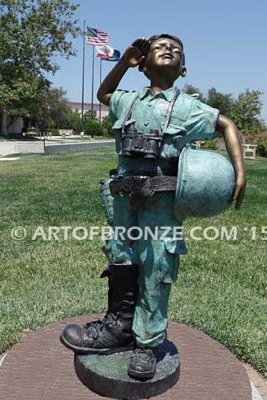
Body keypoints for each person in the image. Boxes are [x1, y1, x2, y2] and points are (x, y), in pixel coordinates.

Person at [61, 34, 247, 380]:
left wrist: (240, 172)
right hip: (123, 202)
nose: (168, 49)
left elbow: (227, 125)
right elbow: (104, 95)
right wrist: (123, 62)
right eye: (159, 47)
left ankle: (147, 342)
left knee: (156, 266)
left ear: (184, 69)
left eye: (176, 50)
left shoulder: (189, 107)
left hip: (161, 205)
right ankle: (117, 330)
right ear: (143, 64)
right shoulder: (128, 101)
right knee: (121, 259)